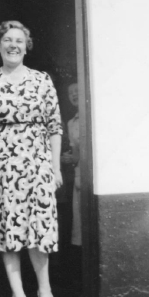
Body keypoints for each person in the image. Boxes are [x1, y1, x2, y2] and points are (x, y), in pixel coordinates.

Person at [0, 20, 63, 297]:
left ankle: (45, 291)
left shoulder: (42, 80)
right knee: (8, 228)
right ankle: (18, 294)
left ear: (27, 47)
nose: (13, 45)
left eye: (19, 41)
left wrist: (55, 166)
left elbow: (55, 126)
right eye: (8, 40)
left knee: (38, 229)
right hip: (2, 164)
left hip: (37, 163)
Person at [61, 82, 81, 246]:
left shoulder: (91, 118)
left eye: (77, 91)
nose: (74, 95)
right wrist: (68, 158)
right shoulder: (71, 122)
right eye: (70, 93)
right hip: (78, 179)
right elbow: (76, 154)